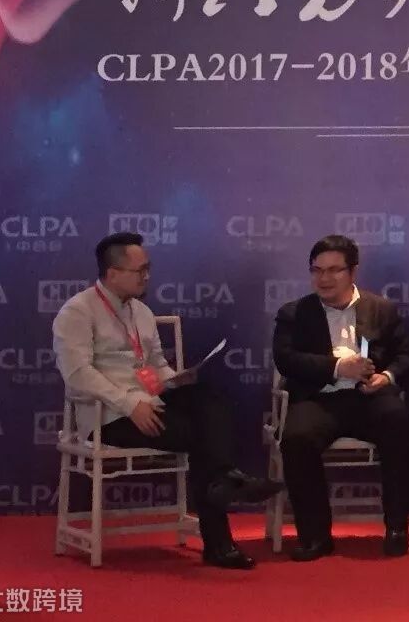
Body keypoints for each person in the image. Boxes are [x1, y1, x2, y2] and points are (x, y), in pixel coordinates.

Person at [52, 231, 281, 570]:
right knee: (205, 437)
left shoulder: (141, 312)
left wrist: (174, 378)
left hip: (152, 403)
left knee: (209, 397)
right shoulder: (77, 312)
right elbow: (78, 374)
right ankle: (220, 530)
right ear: (112, 273)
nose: (147, 276)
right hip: (109, 417)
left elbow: (155, 364)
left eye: (148, 268)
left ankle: (223, 482)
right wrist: (130, 405)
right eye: (140, 270)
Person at [273, 234, 409, 561]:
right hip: (318, 398)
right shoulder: (294, 313)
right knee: (297, 438)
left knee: (397, 421)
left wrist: (386, 376)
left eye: (334, 270)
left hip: (369, 397)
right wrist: (337, 367)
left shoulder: (381, 309)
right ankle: (315, 536)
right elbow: (286, 360)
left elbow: (406, 355)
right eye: (317, 270)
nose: (324, 278)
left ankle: (397, 527)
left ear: (353, 272)